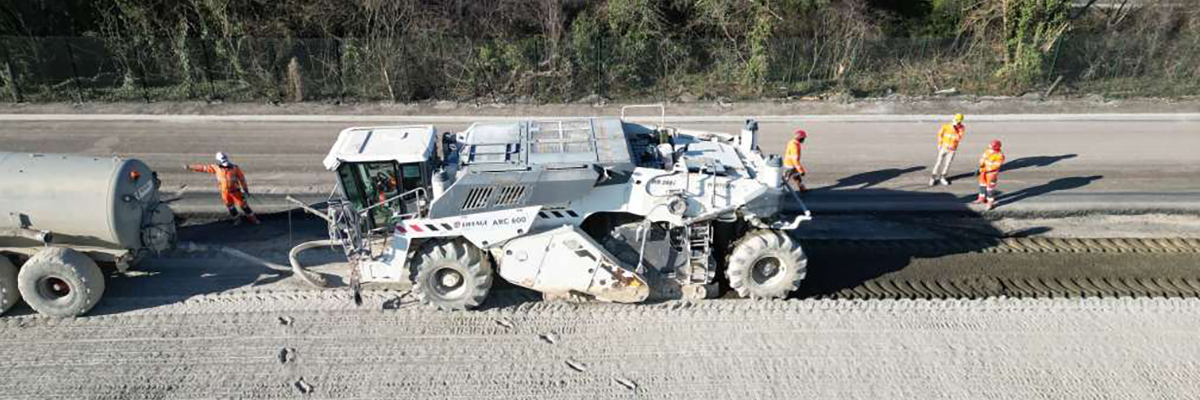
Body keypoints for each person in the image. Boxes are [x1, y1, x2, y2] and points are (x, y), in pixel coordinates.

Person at [186, 152, 259, 225]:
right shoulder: (216, 168)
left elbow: (242, 179)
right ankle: (237, 220)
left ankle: (253, 220)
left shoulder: (235, 168)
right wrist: (190, 167)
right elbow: (203, 168)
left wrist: (246, 190)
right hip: (225, 192)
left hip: (235, 192)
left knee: (244, 206)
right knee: (230, 207)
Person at [930, 113, 966, 186]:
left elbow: (958, 138)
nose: (957, 122)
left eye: (959, 121)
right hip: (944, 148)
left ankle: (943, 177)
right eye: (956, 120)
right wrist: (939, 144)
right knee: (938, 163)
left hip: (952, 149)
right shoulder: (946, 126)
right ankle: (933, 178)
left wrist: (955, 129)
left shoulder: (961, 128)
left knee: (947, 164)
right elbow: (940, 134)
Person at [975, 140, 1005, 210]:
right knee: (982, 185)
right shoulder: (988, 150)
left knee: (990, 189)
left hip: (991, 174)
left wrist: (983, 169)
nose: (990, 148)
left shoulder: (1000, 155)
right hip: (983, 172)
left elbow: (995, 166)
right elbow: (983, 157)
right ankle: (981, 198)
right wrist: (981, 165)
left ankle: (990, 203)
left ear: (996, 147)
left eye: (992, 147)